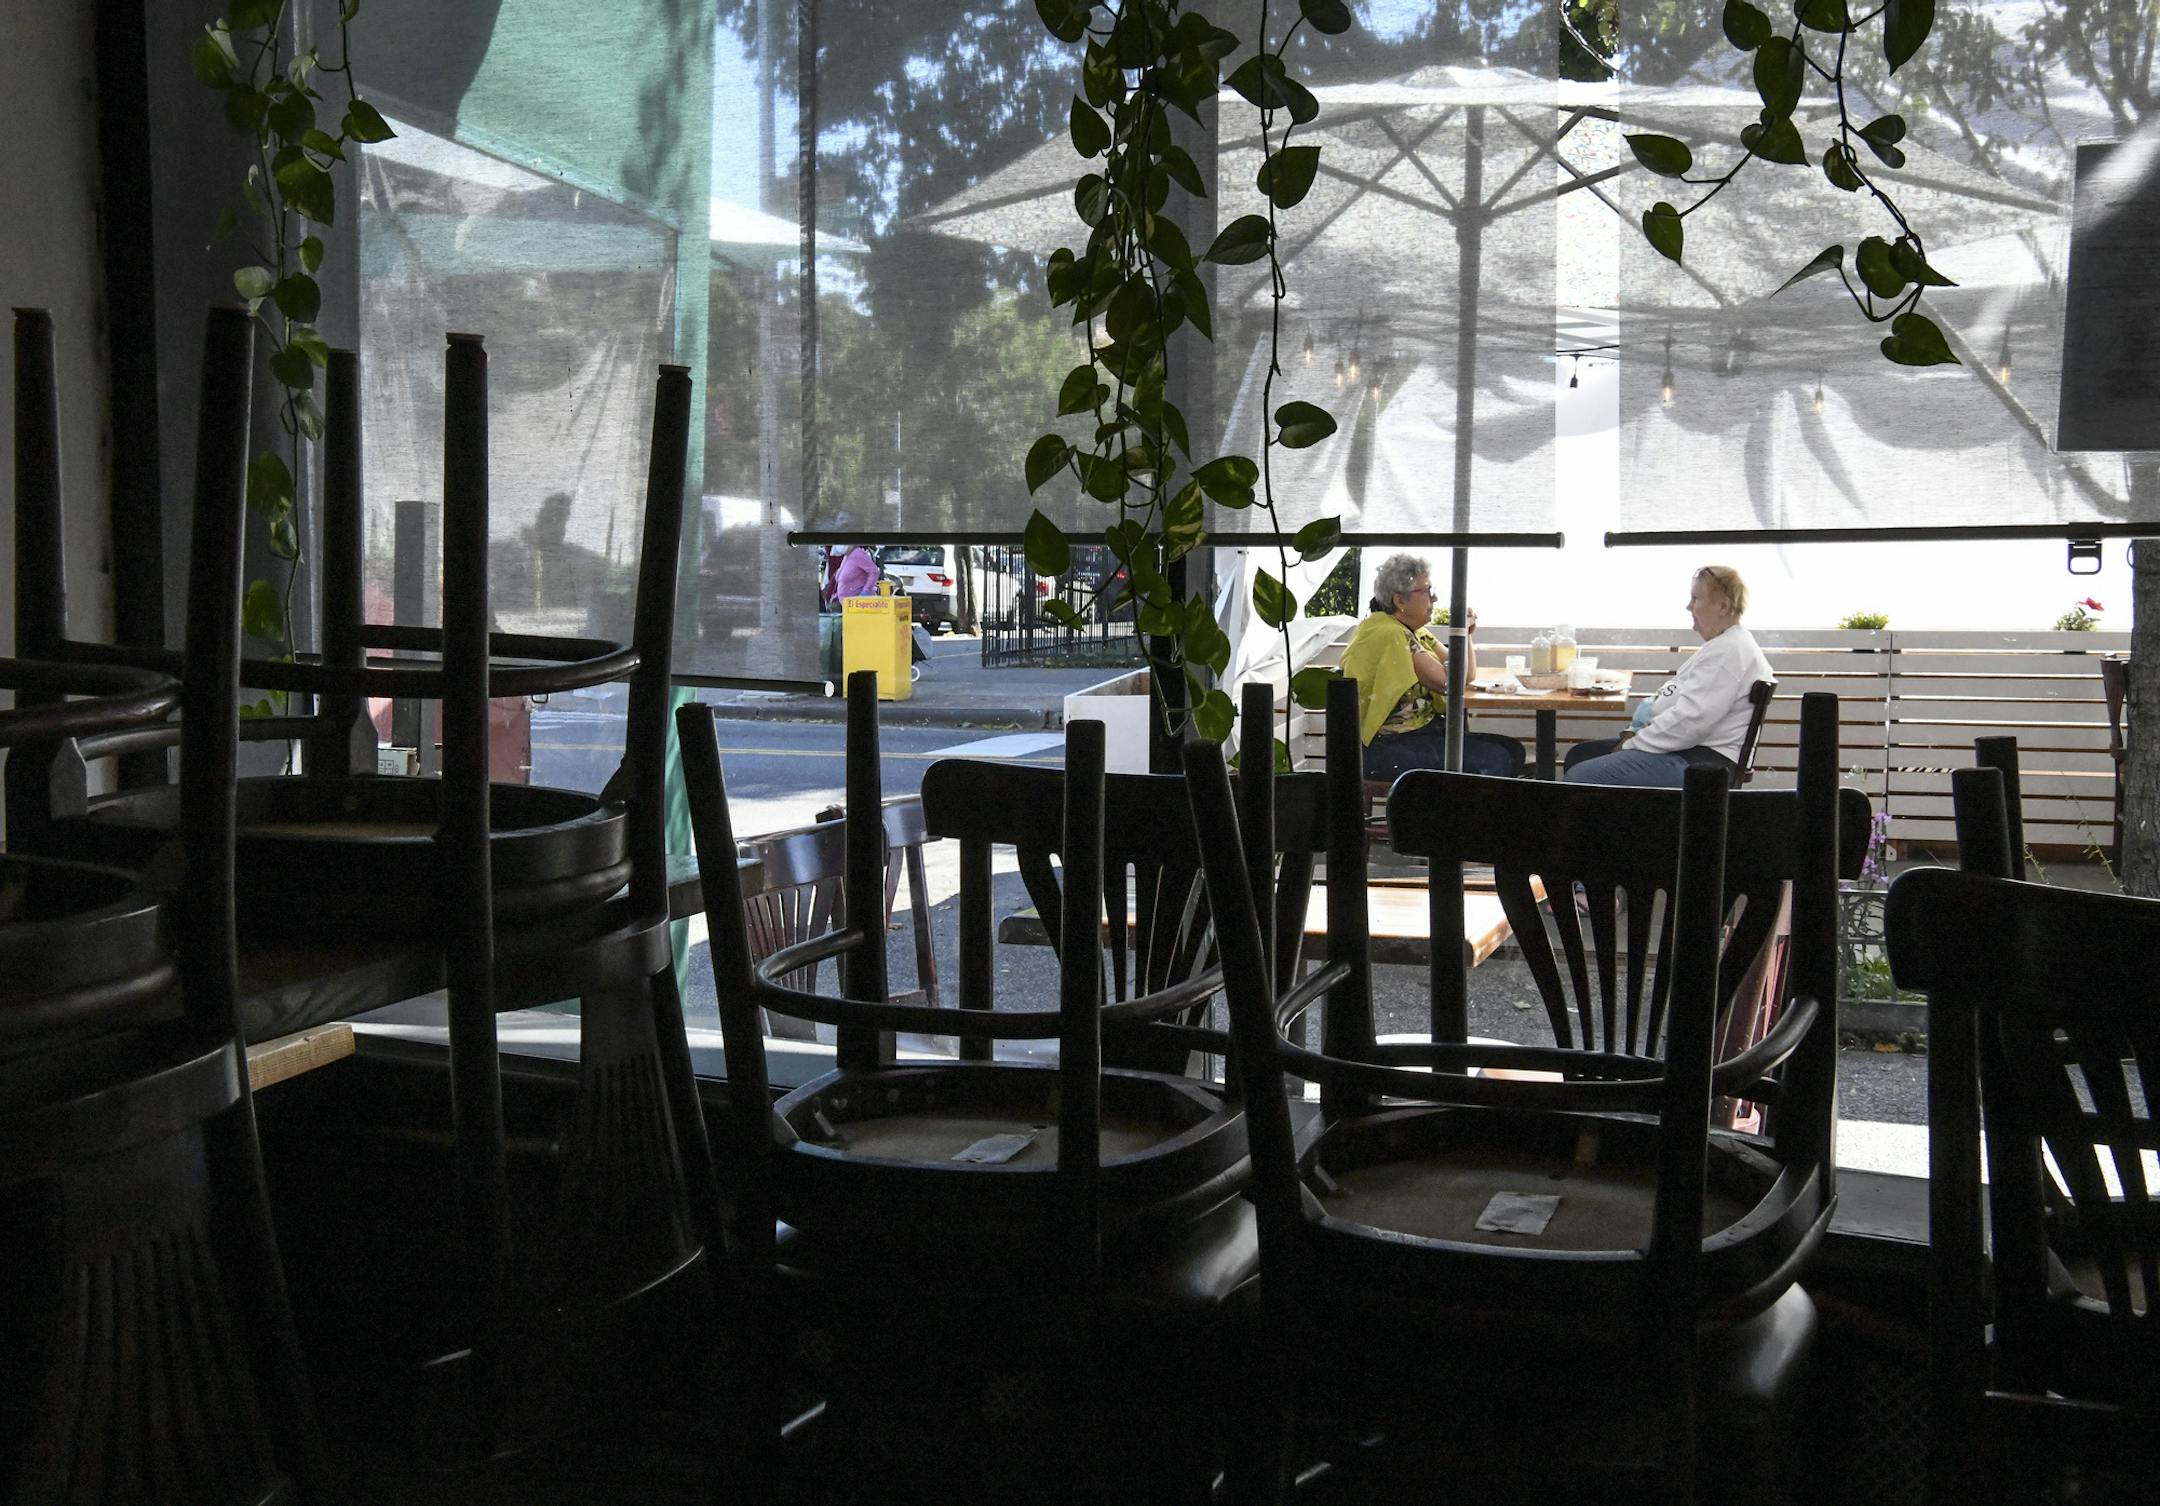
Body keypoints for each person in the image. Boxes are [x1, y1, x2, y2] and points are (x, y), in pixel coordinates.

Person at [1565, 564, 1773, 788]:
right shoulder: (1725, 646)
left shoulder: (1730, 653)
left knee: (1581, 777)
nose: (1688, 606)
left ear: (1723, 606)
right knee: (1580, 755)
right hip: (1685, 750)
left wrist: (1632, 745)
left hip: (1701, 762)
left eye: (1696, 599)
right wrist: (1636, 735)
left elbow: (1690, 722)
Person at [1340, 553, 1525, 782]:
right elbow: (1450, 682)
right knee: (1497, 758)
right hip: (1387, 746)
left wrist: (1464, 634)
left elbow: (1465, 674)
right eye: (1427, 590)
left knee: (1513, 750)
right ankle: (1454, 817)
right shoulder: (1390, 634)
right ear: (1400, 601)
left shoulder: (1414, 632)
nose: (1434, 597)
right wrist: (1460, 631)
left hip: (1418, 735)